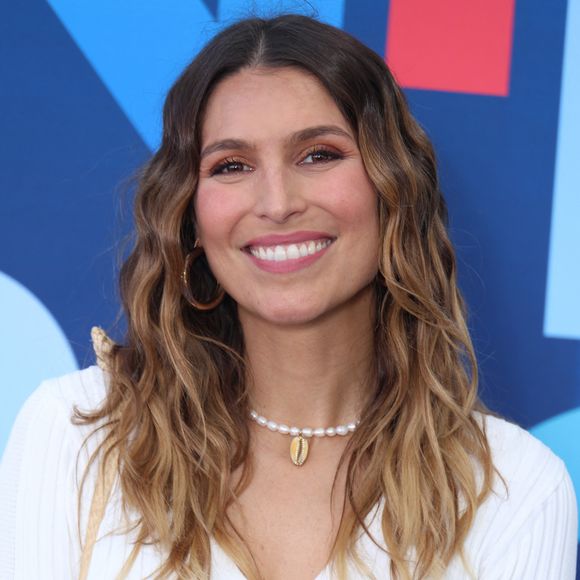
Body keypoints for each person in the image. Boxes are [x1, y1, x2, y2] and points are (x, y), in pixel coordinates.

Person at [0, 13, 577, 580]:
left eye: (318, 154)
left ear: (392, 187)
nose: (276, 203)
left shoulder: (513, 490)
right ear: (190, 217)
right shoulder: (78, 433)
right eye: (231, 165)